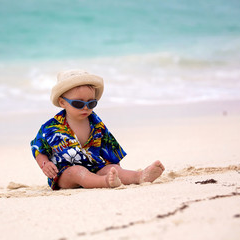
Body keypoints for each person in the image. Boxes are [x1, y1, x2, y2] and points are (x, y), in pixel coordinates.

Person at [30, 69, 165, 190]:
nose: (86, 108)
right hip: (65, 175)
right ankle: (105, 182)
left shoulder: (96, 124)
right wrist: (44, 164)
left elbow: (109, 149)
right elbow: (37, 148)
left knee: (112, 168)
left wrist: (116, 170)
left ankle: (140, 176)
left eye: (91, 103)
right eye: (78, 103)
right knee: (78, 172)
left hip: (94, 168)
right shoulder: (50, 127)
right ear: (62, 102)